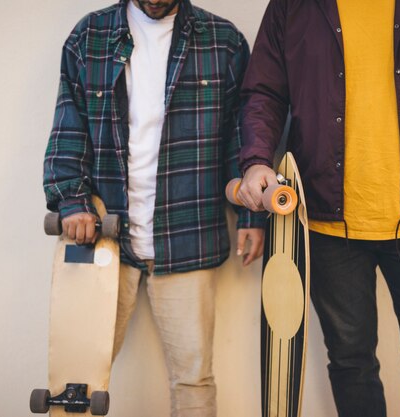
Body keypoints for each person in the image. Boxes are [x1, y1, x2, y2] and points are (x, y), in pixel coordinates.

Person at [237, 1, 400, 416]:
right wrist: (256, 160)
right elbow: (264, 91)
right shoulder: (292, 6)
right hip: (325, 224)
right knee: (351, 364)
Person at [43, 0, 265, 415]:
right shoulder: (88, 37)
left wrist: (252, 215)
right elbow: (68, 127)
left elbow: (242, 138)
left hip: (188, 234)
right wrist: (71, 201)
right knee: (76, 380)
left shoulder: (223, 42)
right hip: (103, 235)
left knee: (194, 378)